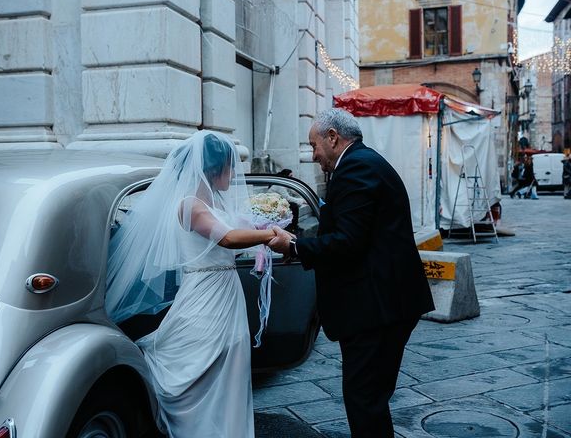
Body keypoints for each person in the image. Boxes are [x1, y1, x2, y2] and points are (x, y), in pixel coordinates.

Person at [268, 108, 435, 438]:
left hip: (377, 308)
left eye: (314, 145)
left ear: (333, 138)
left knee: (364, 398)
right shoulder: (362, 162)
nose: (313, 155)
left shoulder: (356, 167)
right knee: (370, 397)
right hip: (385, 302)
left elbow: (349, 241)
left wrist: (295, 246)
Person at [105, 131, 277, 437]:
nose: (233, 173)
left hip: (225, 289)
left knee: (231, 361)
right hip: (206, 293)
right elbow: (227, 237)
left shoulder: (214, 200)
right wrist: (271, 233)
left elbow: (233, 238)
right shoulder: (190, 205)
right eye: (229, 166)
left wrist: (260, 227)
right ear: (212, 169)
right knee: (201, 361)